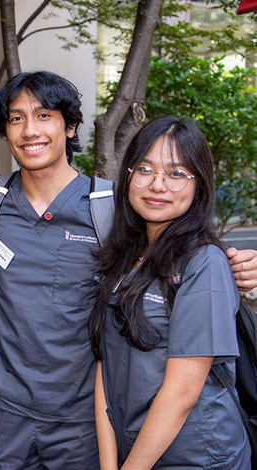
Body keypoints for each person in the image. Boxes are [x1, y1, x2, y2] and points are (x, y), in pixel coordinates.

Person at [0, 71, 257, 469]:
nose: (29, 130)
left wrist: (239, 264)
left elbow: (179, 253)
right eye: (16, 118)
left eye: (43, 116)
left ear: (70, 126)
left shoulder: (110, 208)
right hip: (11, 410)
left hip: (87, 420)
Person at [89, 116, 251, 469]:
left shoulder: (203, 263)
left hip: (196, 456)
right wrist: (108, 462)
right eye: (145, 169)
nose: (157, 184)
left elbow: (182, 393)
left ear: (200, 185)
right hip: (134, 450)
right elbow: (106, 363)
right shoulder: (125, 257)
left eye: (177, 173)